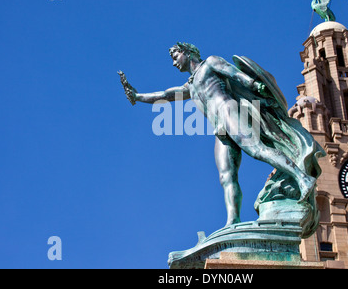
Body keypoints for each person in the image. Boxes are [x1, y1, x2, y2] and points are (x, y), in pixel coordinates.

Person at [123, 42, 324, 227]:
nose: (174, 63)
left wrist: (254, 85)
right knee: (226, 175)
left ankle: (302, 178)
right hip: (219, 127)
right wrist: (137, 96)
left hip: (229, 111)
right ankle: (233, 221)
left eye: (176, 56)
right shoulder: (190, 86)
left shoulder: (210, 63)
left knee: (257, 150)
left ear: (188, 51)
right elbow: (165, 95)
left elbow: (234, 73)